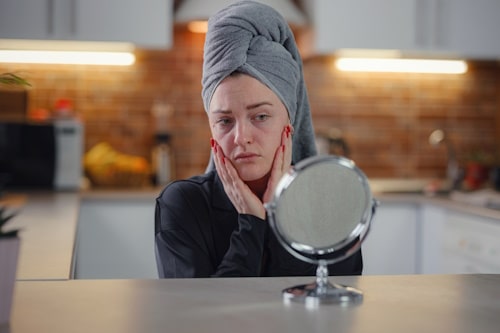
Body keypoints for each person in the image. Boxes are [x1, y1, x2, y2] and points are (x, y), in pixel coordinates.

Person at [154, 1, 362, 278]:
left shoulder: (331, 210)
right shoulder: (183, 204)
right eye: (225, 121)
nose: (241, 138)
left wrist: (281, 213)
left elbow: (326, 314)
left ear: (289, 121)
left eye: (260, 116)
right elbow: (200, 315)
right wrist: (252, 222)